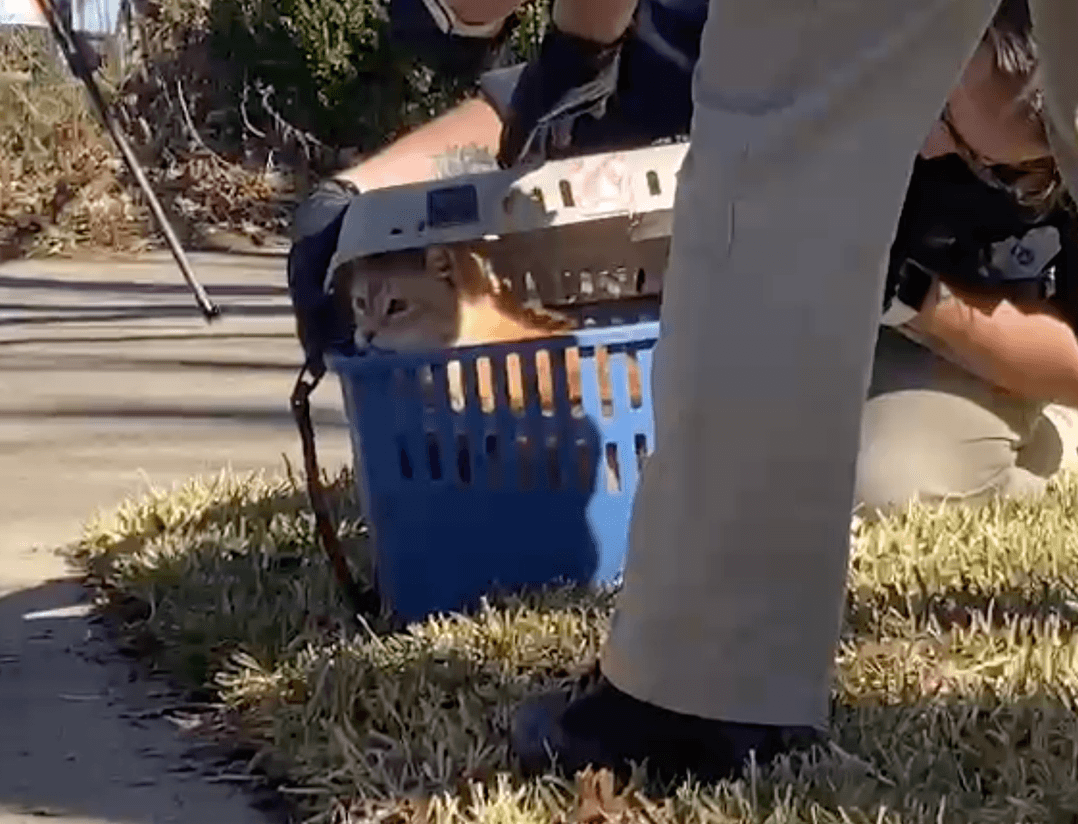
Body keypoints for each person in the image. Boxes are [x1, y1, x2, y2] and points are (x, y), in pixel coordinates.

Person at [288, 0, 1078, 789]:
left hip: (968, 345)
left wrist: (909, 295)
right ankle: (711, 677)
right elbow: (544, 107)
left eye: (1000, 167)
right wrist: (357, 195)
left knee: (889, 474)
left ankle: (709, 687)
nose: (925, 143)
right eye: (931, 103)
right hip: (782, 323)